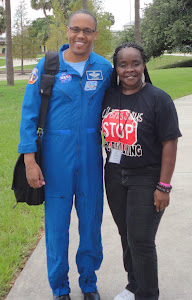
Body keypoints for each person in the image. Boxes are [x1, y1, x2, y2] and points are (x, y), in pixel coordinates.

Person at [18, 10, 112, 300]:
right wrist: (30, 161)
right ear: (67, 32)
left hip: (91, 158)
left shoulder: (105, 68)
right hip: (55, 157)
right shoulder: (47, 67)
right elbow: (29, 116)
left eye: (87, 31)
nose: (80, 36)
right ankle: (60, 288)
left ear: (95, 34)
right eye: (75, 29)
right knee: (57, 227)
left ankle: (89, 284)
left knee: (91, 225)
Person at [102, 42, 181, 300]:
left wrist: (164, 186)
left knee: (141, 240)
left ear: (144, 65)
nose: (130, 69)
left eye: (135, 63)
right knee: (126, 235)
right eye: (123, 64)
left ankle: (147, 294)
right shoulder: (109, 95)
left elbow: (169, 143)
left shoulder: (159, 99)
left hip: (146, 177)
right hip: (114, 176)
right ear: (116, 68)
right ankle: (134, 285)